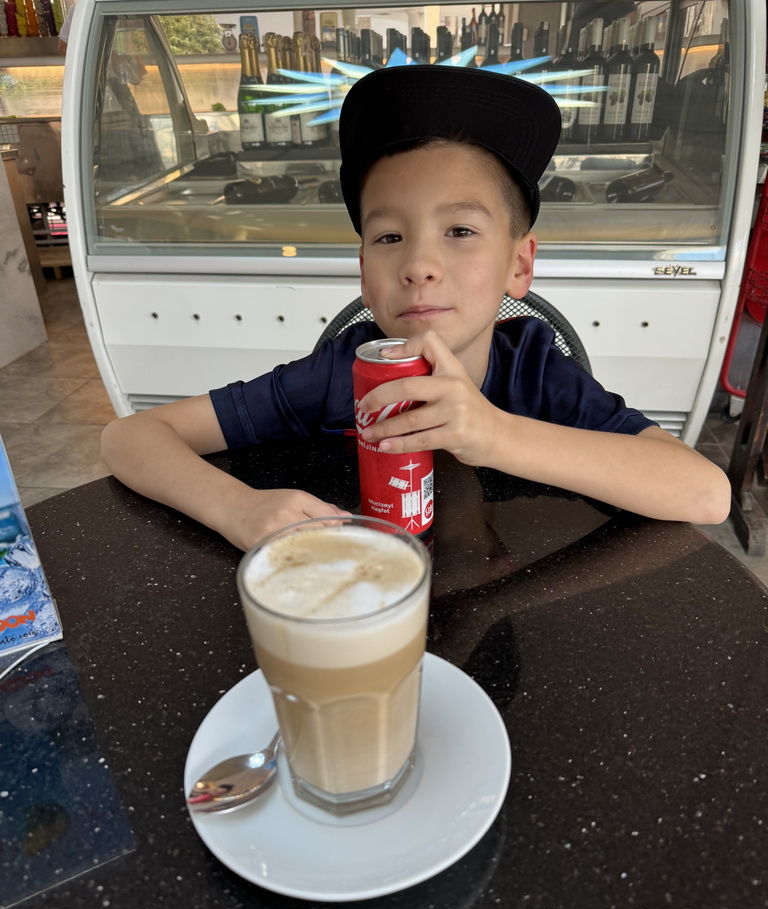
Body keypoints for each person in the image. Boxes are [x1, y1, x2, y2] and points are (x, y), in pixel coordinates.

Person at [100, 63, 730, 551]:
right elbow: (129, 437)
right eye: (389, 237)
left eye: (459, 231)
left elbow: (705, 492)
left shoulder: (537, 371)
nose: (419, 265)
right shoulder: (335, 377)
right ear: (366, 275)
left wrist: (494, 432)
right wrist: (237, 508)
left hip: (505, 577)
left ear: (519, 265)